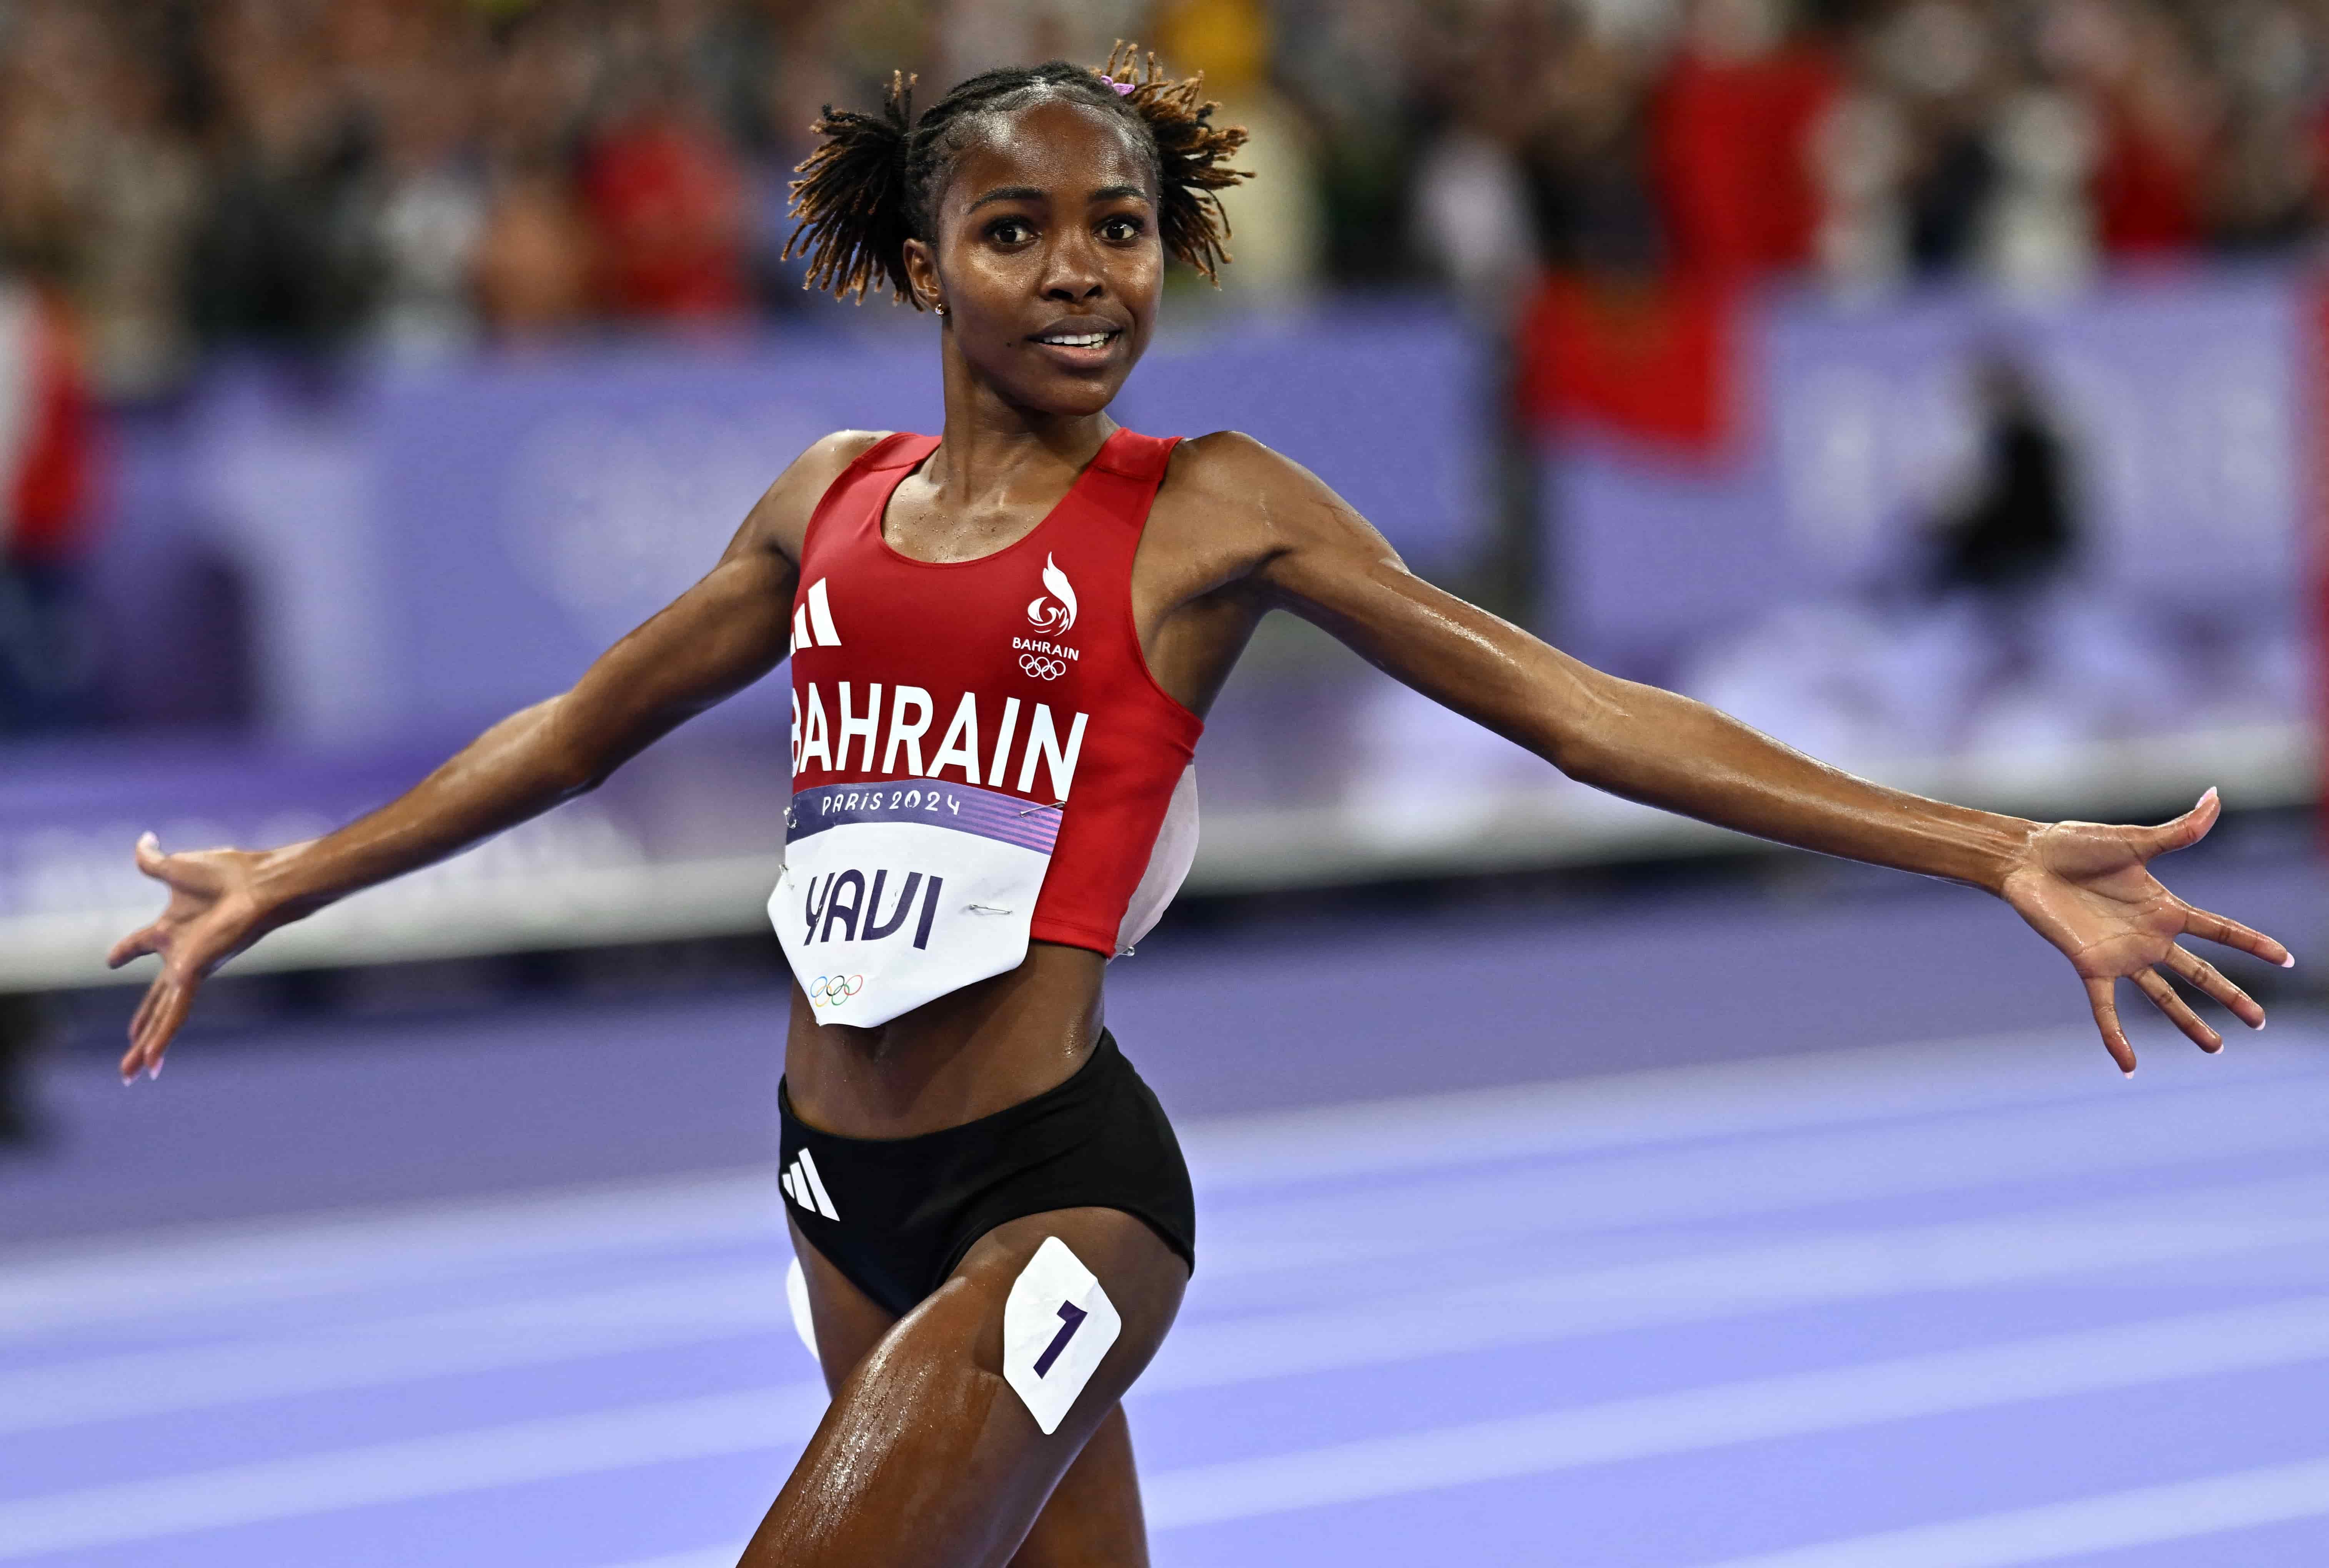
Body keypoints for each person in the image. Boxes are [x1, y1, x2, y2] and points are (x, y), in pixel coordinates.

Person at [105, 47, 2291, 1568]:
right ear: (922, 258)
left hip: (1063, 1196)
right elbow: (574, 734)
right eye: (1023, 230)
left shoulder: (1210, 515)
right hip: (827, 1199)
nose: (1084, 273)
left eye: (1123, 231)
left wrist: (1988, 845)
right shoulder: (826, 510)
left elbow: (1582, 717)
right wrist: (294, 878)